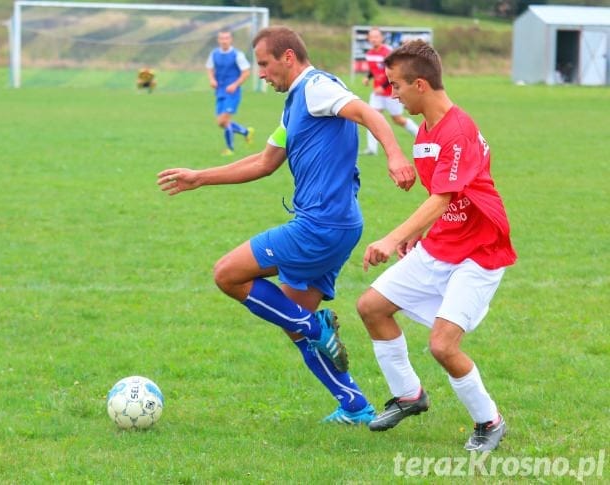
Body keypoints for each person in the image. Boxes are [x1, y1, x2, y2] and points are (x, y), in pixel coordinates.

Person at [158, 26, 415, 425]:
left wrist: (395, 154)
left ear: (289, 57)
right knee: (293, 320)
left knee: (228, 274)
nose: (261, 73)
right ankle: (354, 405)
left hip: (320, 226)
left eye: (264, 63)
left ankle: (316, 327)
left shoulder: (316, 87)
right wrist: (200, 177)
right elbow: (264, 162)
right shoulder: (295, 102)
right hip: (338, 224)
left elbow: (366, 111)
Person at [356, 40, 517, 452]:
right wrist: (417, 233)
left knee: (443, 345)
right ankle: (409, 394)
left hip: (479, 253)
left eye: (397, 86)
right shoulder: (428, 128)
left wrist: (394, 238)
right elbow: (446, 195)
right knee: (372, 307)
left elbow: (444, 197)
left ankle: (490, 421)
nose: (392, 93)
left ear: (421, 84)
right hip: (443, 242)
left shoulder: (457, 130)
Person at [362, 28, 419, 155]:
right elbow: (374, 69)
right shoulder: (370, 53)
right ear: (368, 39)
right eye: (371, 37)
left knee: (398, 119)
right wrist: (367, 77)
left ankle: (420, 135)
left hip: (391, 93)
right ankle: (372, 149)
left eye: (376, 36)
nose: (374, 39)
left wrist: (383, 86)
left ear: (381, 38)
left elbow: (394, 72)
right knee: (371, 117)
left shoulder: (388, 52)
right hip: (377, 93)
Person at [206, 29, 254, 156]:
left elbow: (246, 72)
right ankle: (245, 132)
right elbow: (209, 68)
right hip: (219, 91)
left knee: (223, 121)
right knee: (221, 123)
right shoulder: (214, 54)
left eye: (226, 38)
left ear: (231, 39)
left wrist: (235, 84)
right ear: (218, 40)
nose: (224, 41)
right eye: (222, 38)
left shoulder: (237, 55)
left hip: (232, 93)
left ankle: (230, 149)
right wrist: (211, 79)